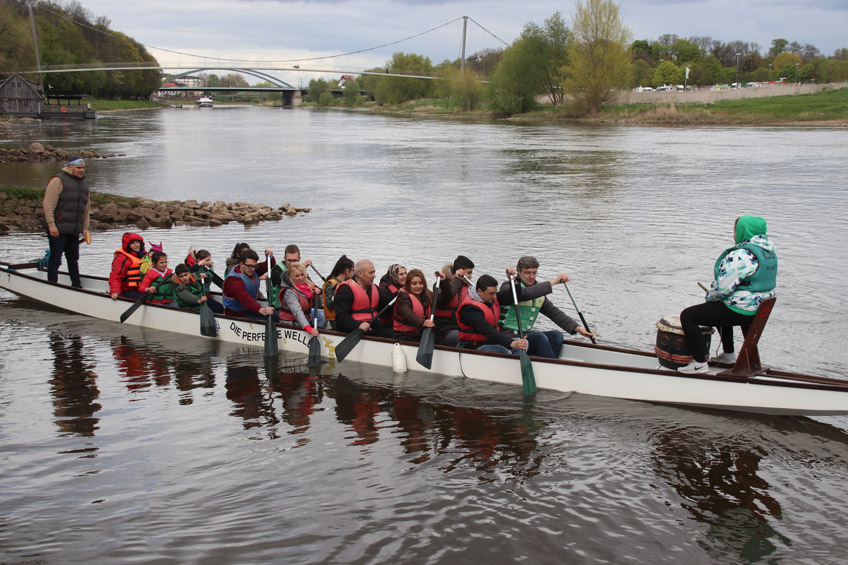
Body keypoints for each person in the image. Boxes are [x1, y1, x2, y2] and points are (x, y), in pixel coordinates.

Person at [677, 215, 778, 374]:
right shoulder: (768, 252)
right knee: (719, 306)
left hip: (742, 311)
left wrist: (710, 295)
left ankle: (699, 363)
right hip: (758, 310)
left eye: (735, 231)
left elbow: (722, 289)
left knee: (688, 316)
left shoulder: (742, 255)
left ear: (744, 231)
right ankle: (729, 354)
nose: (733, 235)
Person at [499, 256, 596, 358]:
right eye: (527, 273)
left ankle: (547, 364)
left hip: (526, 336)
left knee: (556, 335)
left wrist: (578, 329)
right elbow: (524, 294)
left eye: (534, 273)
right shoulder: (508, 287)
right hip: (508, 338)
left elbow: (555, 314)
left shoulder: (539, 294)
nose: (531, 277)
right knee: (539, 337)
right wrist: (554, 282)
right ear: (519, 272)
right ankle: (554, 366)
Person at [457, 271, 536, 354]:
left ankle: (516, 365)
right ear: (480, 291)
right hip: (473, 346)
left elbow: (514, 296)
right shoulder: (469, 309)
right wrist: (511, 343)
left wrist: (514, 281)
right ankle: (510, 365)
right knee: (504, 351)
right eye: (491, 293)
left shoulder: (491, 298)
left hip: (491, 342)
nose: (495, 296)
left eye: (495, 292)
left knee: (524, 344)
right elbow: (488, 331)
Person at [42, 156, 90, 287]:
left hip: (74, 231)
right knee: (56, 260)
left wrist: (85, 229)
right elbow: (48, 204)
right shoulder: (58, 180)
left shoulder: (84, 185)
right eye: (78, 167)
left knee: (73, 260)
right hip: (58, 229)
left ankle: (76, 285)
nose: (81, 170)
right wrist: (52, 225)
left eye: (83, 168)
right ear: (70, 167)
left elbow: (86, 210)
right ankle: (52, 285)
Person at [333, 259, 395, 338]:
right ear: (360, 274)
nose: (374, 275)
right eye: (371, 273)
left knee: (396, 334)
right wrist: (358, 325)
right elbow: (341, 317)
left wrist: (399, 294)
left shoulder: (374, 288)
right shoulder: (345, 290)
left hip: (374, 327)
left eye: (374, 272)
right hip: (354, 331)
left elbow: (385, 308)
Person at [222, 248, 278, 320]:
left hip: (251, 310)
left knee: (278, 316)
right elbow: (244, 298)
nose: (253, 269)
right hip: (236, 315)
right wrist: (262, 310)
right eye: (250, 266)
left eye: (255, 266)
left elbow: (269, 265)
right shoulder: (233, 280)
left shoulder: (251, 270)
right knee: (267, 320)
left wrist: (270, 256)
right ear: (241, 264)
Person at [433, 255, 475, 346]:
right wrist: (457, 280)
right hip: (443, 330)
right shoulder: (440, 284)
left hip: (463, 328)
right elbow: (445, 299)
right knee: (466, 339)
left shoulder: (469, 288)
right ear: (460, 272)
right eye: (469, 273)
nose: (471, 277)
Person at [393, 269, 440, 342]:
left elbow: (445, 299)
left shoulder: (428, 295)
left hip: (422, 333)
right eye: (414, 283)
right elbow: (408, 314)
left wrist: (444, 282)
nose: (418, 286)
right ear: (408, 284)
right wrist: (423, 322)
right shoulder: (403, 297)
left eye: (421, 283)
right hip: (404, 335)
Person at [278, 262, 320, 337]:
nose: (300, 278)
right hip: (291, 324)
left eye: (302, 275)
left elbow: (319, 305)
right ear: (291, 277)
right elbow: (297, 311)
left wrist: (316, 295)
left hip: (305, 320)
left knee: (322, 319)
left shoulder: (309, 286)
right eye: (297, 276)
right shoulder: (290, 293)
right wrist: (307, 327)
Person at [109, 232, 146, 300]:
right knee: (149, 298)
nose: (136, 245)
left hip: (144, 288)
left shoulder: (145, 256)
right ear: (128, 245)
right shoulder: (122, 258)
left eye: (137, 242)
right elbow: (116, 276)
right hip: (129, 291)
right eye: (133, 243)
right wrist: (115, 291)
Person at [323, 255, 355, 330]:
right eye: (353, 270)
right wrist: (335, 295)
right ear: (347, 271)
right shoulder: (331, 284)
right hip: (336, 320)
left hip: (346, 316)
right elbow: (329, 305)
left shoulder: (347, 283)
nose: (354, 273)